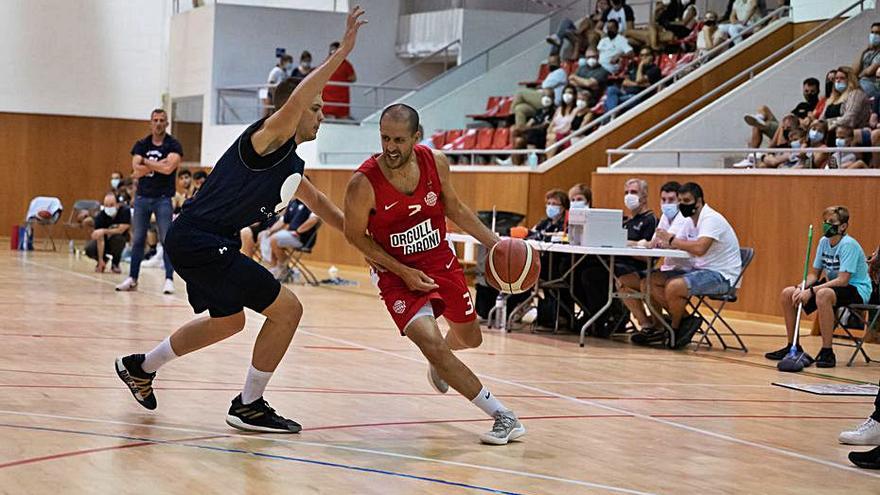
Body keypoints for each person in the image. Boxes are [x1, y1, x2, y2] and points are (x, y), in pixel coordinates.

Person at [114, 8, 367, 434]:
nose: (320, 115)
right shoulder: (265, 138)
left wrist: (371, 243)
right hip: (199, 239)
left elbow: (325, 206)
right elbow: (301, 97)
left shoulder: (290, 166)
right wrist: (342, 52)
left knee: (230, 321)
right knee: (288, 310)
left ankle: (141, 367)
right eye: (316, 108)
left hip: (201, 241)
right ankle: (249, 405)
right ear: (295, 108)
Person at [344, 104, 526, 445]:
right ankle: (504, 416)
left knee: (471, 338)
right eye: (384, 138)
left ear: (417, 136)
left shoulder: (435, 162)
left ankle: (441, 360)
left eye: (399, 139)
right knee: (430, 344)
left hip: (440, 261)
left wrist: (496, 244)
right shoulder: (363, 182)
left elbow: (454, 208)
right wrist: (402, 272)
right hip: (397, 276)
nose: (390, 147)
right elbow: (354, 235)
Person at [765, 206, 872, 369]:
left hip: (856, 288)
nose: (826, 225)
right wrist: (801, 287)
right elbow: (814, 275)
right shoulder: (823, 242)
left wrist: (812, 291)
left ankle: (827, 352)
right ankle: (792, 346)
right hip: (833, 286)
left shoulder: (848, 245)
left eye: (831, 222)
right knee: (788, 293)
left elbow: (843, 280)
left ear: (843, 226)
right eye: (825, 222)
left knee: (823, 294)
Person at [652, 182, 741, 348]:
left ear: (698, 201)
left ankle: (675, 329)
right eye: (680, 201)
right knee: (651, 281)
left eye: (686, 201)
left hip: (721, 276)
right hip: (699, 270)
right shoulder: (689, 220)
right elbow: (676, 242)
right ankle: (686, 320)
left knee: (674, 287)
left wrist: (670, 239)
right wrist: (661, 241)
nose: (682, 205)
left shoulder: (711, 218)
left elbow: (700, 248)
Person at [115, 109, 182, 294]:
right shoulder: (142, 144)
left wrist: (147, 162)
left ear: (167, 123)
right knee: (137, 239)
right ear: (150, 123)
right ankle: (132, 278)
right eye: (155, 120)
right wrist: (159, 164)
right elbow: (136, 169)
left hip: (163, 198)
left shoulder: (173, 144)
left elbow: (169, 168)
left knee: (166, 238)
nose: (159, 123)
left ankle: (169, 279)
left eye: (162, 120)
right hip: (142, 197)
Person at [614, 179, 659, 337]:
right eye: (626, 193)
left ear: (645, 197)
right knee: (588, 272)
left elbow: (648, 256)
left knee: (620, 280)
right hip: (617, 264)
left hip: (638, 269)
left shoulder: (650, 220)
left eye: (633, 192)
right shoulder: (626, 221)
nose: (629, 196)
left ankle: (646, 324)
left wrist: (625, 246)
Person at [261, 198, 319, 280]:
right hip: (290, 235)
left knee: (274, 239)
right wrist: (270, 231)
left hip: (302, 238)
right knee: (264, 235)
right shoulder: (293, 203)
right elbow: (283, 221)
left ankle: (283, 268)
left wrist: (298, 231)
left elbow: (314, 219)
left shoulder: (310, 202)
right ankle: (274, 266)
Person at [604, 47, 662, 112]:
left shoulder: (655, 69)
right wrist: (638, 84)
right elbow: (625, 82)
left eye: (646, 55)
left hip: (638, 97)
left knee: (608, 102)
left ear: (652, 56)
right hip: (626, 93)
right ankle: (613, 115)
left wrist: (641, 65)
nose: (644, 57)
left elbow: (639, 79)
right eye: (642, 55)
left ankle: (612, 117)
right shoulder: (634, 66)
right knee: (611, 89)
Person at [85, 193, 131, 274]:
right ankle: (103, 261)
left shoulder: (125, 211)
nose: (108, 208)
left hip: (118, 241)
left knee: (118, 239)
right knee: (89, 249)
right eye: (106, 205)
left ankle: (115, 264)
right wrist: (100, 259)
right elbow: (100, 239)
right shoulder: (100, 216)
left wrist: (103, 231)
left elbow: (121, 230)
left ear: (118, 205)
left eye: (111, 205)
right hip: (104, 242)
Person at [322, 41, 357, 119]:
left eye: (334, 49)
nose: (332, 52)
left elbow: (353, 78)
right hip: (327, 96)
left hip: (341, 96)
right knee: (325, 118)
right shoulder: (326, 63)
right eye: (331, 50)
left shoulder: (346, 64)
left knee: (342, 118)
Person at [546, 85, 579, 157]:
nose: (567, 95)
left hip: (565, 135)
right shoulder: (559, 109)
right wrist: (549, 131)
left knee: (552, 138)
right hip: (554, 134)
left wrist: (556, 133)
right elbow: (551, 124)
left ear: (574, 95)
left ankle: (548, 162)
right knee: (550, 137)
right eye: (565, 93)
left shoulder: (576, 110)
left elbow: (569, 127)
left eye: (570, 93)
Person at [855, 22, 880, 99]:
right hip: (862, 83)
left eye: (877, 33)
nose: (874, 35)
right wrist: (863, 51)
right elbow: (854, 71)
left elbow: (869, 71)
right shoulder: (868, 52)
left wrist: (857, 78)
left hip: (872, 85)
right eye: (872, 32)